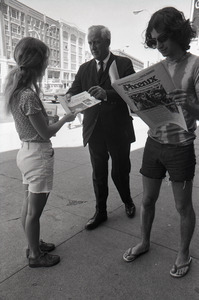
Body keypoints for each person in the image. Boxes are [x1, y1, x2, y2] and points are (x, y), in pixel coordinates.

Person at [123, 7, 199, 278]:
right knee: (148, 199)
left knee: (182, 206)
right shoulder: (157, 68)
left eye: (163, 39)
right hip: (154, 142)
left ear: (178, 33)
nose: (159, 46)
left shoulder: (195, 65)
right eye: (154, 41)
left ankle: (183, 252)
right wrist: (137, 106)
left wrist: (189, 102)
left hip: (180, 146)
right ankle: (144, 241)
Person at [4, 37, 75, 268]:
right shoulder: (29, 95)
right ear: (39, 64)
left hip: (26, 153)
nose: (47, 66)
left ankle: (33, 244)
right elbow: (45, 133)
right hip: (38, 157)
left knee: (28, 205)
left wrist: (49, 119)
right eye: (46, 61)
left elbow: (33, 125)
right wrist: (65, 118)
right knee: (34, 212)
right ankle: (35, 255)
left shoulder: (18, 92)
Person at [66, 25, 136, 230]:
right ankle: (101, 211)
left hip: (118, 129)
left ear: (107, 42)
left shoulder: (123, 64)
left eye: (96, 41)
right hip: (94, 129)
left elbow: (130, 93)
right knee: (98, 173)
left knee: (120, 171)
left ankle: (128, 201)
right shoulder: (85, 68)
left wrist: (107, 94)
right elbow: (75, 89)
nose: (92, 46)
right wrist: (70, 96)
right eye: (90, 42)